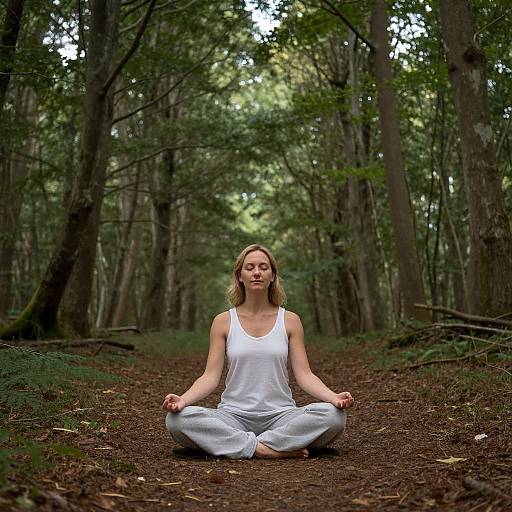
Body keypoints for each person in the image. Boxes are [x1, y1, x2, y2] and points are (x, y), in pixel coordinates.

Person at [163, 244, 354, 459]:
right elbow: (209, 377)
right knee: (176, 420)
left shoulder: (290, 320)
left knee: (334, 417)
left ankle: (239, 444)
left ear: (272, 275)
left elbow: (305, 375)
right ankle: (267, 449)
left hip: (282, 416)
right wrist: (183, 400)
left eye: (263, 267)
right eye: (250, 267)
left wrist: (333, 397)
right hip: (232, 416)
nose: (256, 272)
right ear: (240, 276)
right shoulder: (223, 322)